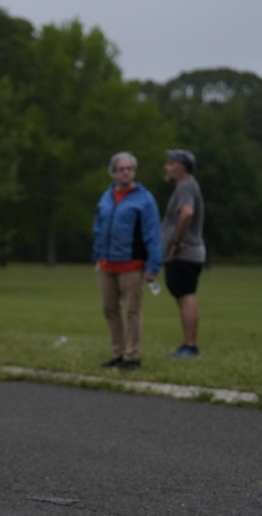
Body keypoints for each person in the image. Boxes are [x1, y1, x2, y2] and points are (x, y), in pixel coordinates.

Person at [92, 151, 163, 370]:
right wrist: (96, 255)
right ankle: (118, 352)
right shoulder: (106, 197)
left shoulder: (144, 199)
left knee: (132, 311)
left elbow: (153, 234)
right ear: (112, 173)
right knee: (110, 309)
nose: (125, 173)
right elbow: (98, 227)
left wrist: (153, 265)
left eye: (129, 169)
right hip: (106, 264)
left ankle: (132, 356)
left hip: (131, 265)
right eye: (121, 169)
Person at [160, 149, 206, 357]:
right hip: (186, 253)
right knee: (183, 296)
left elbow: (187, 213)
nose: (166, 167)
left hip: (185, 252)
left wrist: (176, 242)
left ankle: (190, 345)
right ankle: (189, 344)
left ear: (182, 167)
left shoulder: (186, 186)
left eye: (171, 163)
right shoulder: (186, 186)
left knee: (185, 296)